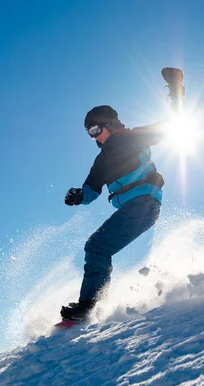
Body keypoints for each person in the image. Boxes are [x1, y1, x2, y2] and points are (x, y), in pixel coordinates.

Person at [59, 105, 170, 322]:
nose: (94, 138)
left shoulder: (132, 138)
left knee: (96, 247)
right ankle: (94, 303)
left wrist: (175, 92)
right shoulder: (102, 160)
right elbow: (91, 191)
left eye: (95, 130)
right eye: (90, 135)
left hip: (143, 204)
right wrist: (78, 196)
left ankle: (90, 306)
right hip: (135, 208)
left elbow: (170, 126)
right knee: (97, 247)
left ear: (109, 124)